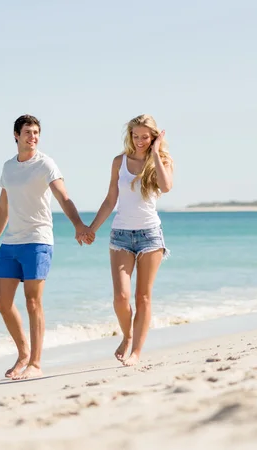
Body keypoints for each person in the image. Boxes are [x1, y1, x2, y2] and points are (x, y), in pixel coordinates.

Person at [0, 114, 94, 380]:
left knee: (33, 302)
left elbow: (63, 197)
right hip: (11, 242)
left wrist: (79, 225)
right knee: (2, 301)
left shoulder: (46, 164)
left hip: (38, 240)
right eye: (28, 132)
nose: (33, 137)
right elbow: (3, 207)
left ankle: (36, 362)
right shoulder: (8, 167)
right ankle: (23, 354)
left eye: (36, 132)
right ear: (16, 136)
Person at [86, 114, 173, 366]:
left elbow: (166, 187)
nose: (139, 141)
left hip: (150, 235)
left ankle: (136, 351)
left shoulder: (162, 160)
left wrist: (155, 153)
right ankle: (127, 335)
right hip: (121, 234)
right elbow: (110, 199)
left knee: (143, 297)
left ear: (154, 137)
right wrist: (91, 228)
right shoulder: (119, 161)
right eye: (135, 136)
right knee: (121, 298)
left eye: (145, 137)